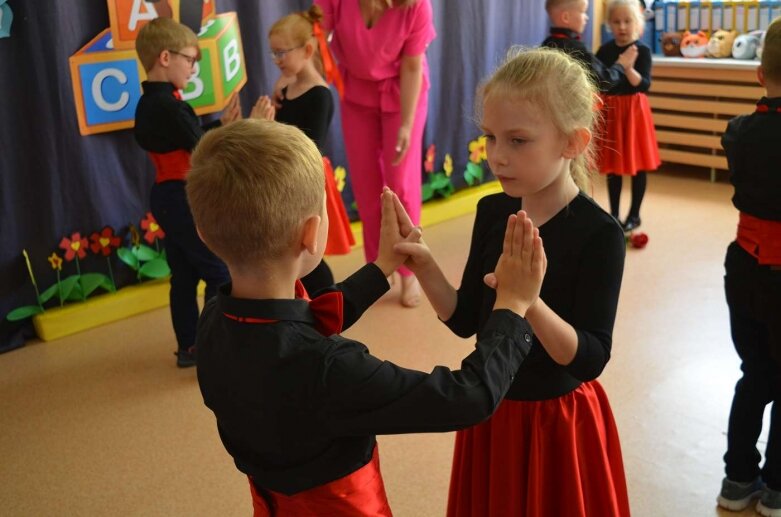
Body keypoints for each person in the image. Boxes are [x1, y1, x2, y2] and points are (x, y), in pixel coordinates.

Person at [186, 119, 546, 516]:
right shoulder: (329, 368)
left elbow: (309, 318)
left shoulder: (215, 318)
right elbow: (467, 397)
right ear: (312, 233)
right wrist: (512, 306)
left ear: (203, 233)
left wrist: (382, 268)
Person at [393, 47, 630, 516]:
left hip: (556, 423)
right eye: (490, 138)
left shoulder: (599, 235)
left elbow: (587, 359)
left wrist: (528, 301)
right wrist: (424, 265)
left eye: (518, 141)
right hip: (491, 408)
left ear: (572, 143)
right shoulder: (493, 210)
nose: (496, 157)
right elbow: (466, 320)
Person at [297, 0, 436, 307]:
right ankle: (379, 268)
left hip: (403, 94)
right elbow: (314, 32)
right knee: (366, 183)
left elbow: (413, 65)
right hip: (357, 92)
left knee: (401, 187)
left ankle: (408, 272)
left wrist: (407, 125)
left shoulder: (416, 7)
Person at [133, 17, 240, 367]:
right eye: (191, 60)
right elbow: (202, 148)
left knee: (183, 275)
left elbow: (187, 135)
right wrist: (234, 134)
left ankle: (190, 346)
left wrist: (220, 125)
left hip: (167, 196)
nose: (194, 68)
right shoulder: (173, 107)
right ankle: (213, 345)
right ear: (166, 58)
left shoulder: (149, 104)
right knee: (218, 271)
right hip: (182, 197)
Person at [717, 17, 781, 517]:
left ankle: (737, 481)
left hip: (744, 270)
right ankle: (777, 488)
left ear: (759, 74)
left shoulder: (738, 131)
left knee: (753, 374)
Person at [265, 5, 355, 294]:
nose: (277, 60)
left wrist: (266, 128)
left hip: (305, 178)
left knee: (309, 250)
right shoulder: (286, 87)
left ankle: (329, 299)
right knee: (292, 248)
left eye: (282, 53)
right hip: (286, 176)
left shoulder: (319, 95)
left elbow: (308, 147)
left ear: (306, 50)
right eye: (273, 53)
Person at [595, 0, 660, 231]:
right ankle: (613, 213)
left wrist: (628, 67)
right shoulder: (604, 50)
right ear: (609, 24)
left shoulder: (642, 50)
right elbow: (600, 80)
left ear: (637, 22)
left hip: (634, 112)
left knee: (638, 165)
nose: (622, 26)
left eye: (627, 21)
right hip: (612, 112)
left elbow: (643, 85)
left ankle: (634, 215)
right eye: (616, 21)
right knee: (614, 166)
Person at [542, 0, 635, 91]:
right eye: (583, 12)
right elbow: (605, 81)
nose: (587, 18)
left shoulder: (546, 44)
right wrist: (621, 65)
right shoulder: (577, 48)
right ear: (566, 17)